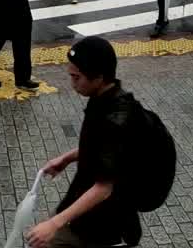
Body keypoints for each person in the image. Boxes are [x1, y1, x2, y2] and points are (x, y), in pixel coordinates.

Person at [26, 37, 141, 248]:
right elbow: (102, 146)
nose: (72, 84)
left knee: (43, 241)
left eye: (76, 77)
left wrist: (54, 223)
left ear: (99, 77)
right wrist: (67, 158)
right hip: (85, 202)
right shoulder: (104, 99)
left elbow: (104, 187)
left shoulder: (117, 120)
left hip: (103, 219)